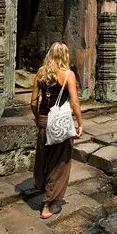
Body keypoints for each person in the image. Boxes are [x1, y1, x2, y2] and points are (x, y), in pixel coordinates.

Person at [30, 42, 83, 219]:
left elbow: (33, 102)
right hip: (59, 123)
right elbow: (75, 103)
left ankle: (43, 188)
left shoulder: (40, 72)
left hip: (44, 121)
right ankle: (48, 204)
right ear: (65, 56)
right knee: (60, 163)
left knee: (44, 158)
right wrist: (80, 123)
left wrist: (38, 119)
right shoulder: (68, 75)